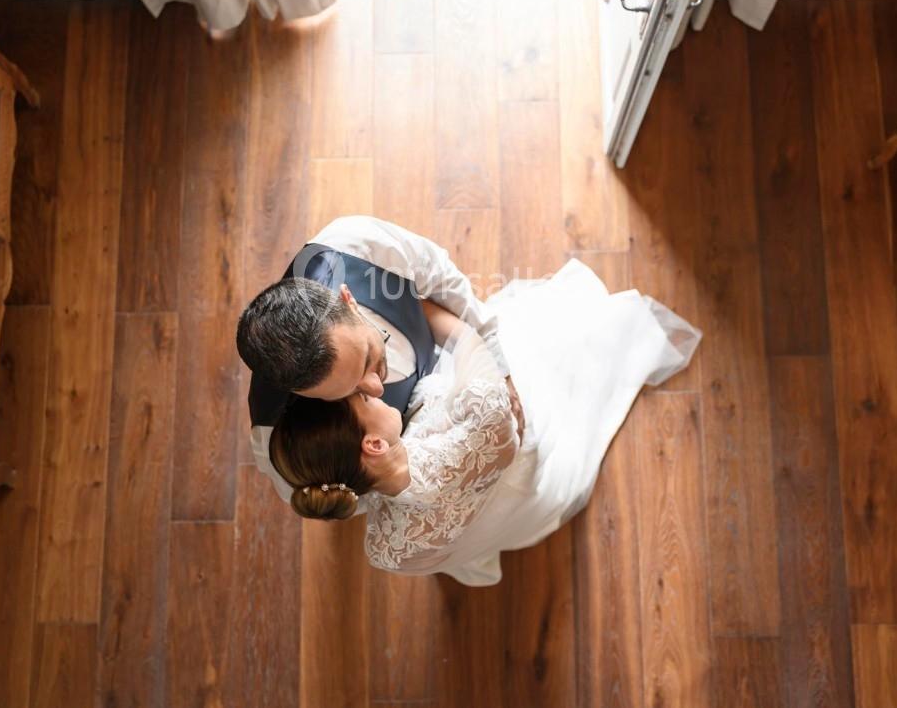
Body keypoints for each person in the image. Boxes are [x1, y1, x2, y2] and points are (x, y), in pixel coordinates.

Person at [267, 258, 702, 586]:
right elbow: (466, 336)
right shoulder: (485, 410)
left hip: (492, 518)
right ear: (374, 445)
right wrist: (409, 307)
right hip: (515, 450)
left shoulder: (382, 550)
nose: (376, 388)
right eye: (363, 398)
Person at [236, 215, 523, 512]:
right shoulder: (279, 438)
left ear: (348, 300)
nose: (376, 388)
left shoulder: (355, 244)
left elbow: (441, 277)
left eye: (367, 360)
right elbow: (349, 492)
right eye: (351, 391)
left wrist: (498, 366)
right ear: (298, 393)